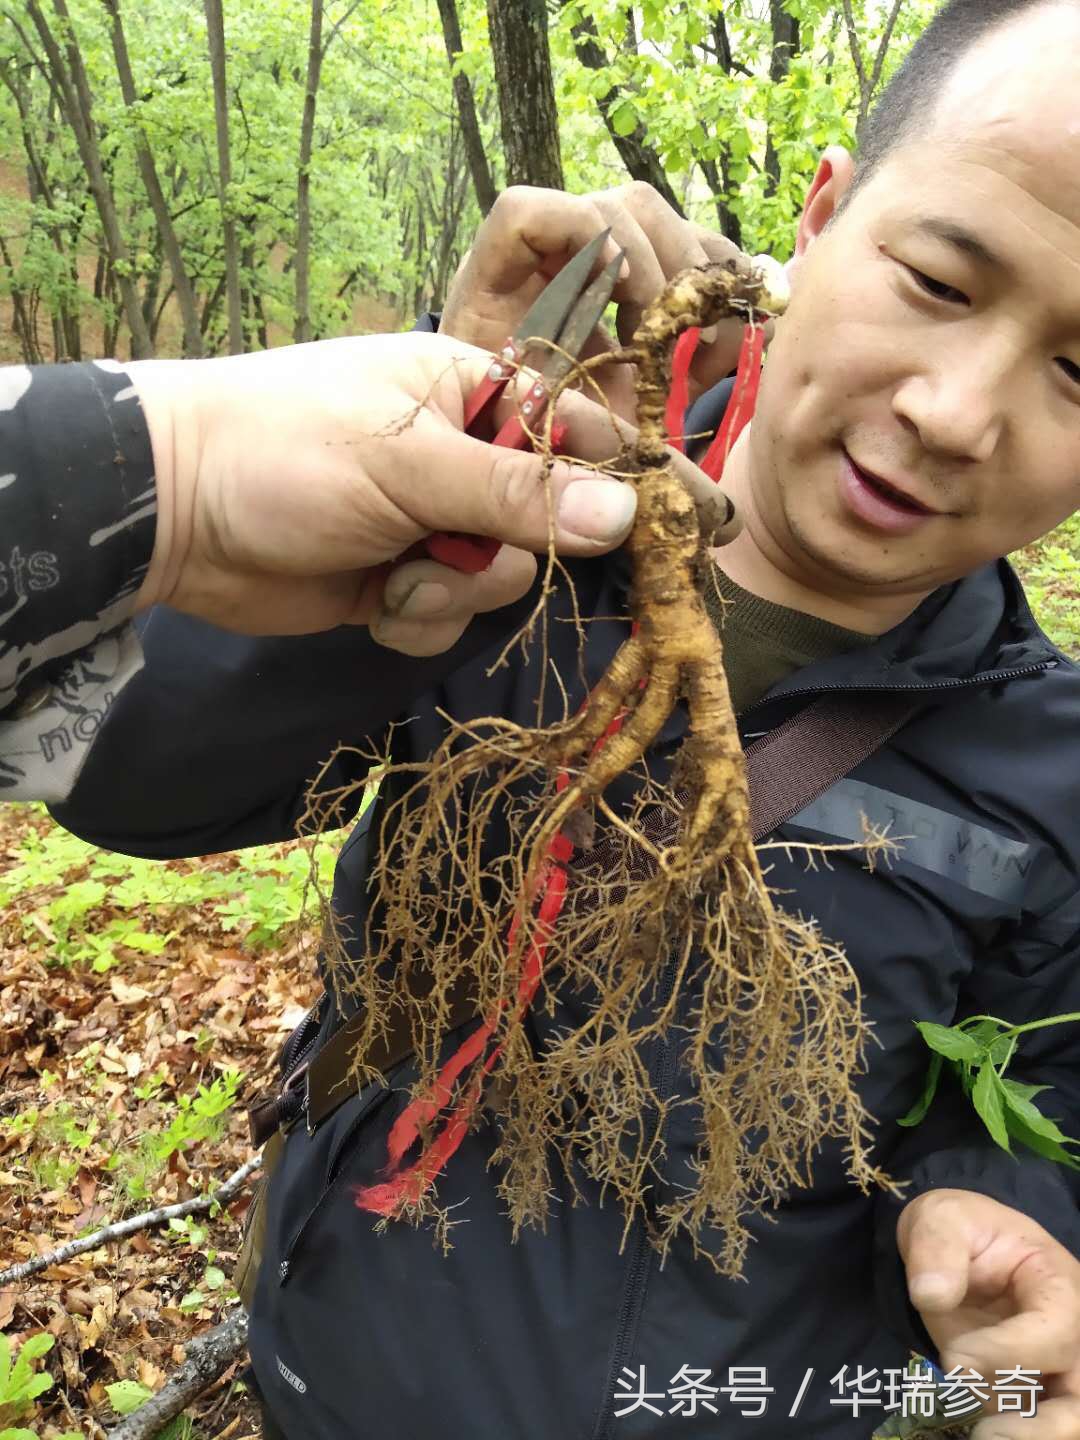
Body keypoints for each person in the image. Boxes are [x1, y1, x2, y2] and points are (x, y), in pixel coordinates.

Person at [45, 0, 1080, 1435]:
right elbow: (125, 783)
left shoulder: (1053, 769)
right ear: (822, 220)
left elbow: (1048, 1066)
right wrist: (415, 524)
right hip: (333, 1369)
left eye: (1078, 372)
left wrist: (1007, 1197)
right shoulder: (511, 517)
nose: (962, 413)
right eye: (940, 280)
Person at [1, 331, 716, 802]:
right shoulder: (521, 585)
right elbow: (117, 783)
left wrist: (179, 476)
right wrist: (184, 481)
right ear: (813, 221)